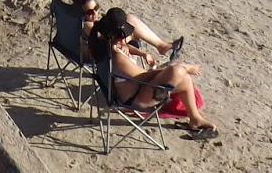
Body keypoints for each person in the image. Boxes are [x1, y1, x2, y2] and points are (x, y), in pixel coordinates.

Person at [90, 9, 218, 136]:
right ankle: (194, 116)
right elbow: (144, 76)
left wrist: (144, 54)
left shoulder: (103, 44)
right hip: (134, 100)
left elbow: (127, 53)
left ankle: (195, 119)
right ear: (112, 38)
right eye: (122, 37)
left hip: (131, 89)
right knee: (177, 70)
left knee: (183, 77)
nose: (125, 40)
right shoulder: (117, 58)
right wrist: (184, 67)